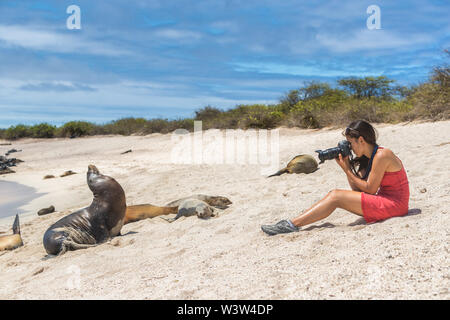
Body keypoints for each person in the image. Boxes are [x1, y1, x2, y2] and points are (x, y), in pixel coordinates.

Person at [261, 120, 410, 235]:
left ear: (361, 140)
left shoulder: (382, 155)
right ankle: (292, 223)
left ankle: (292, 224)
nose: (350, 148)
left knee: (335, 196)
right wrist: (347, 166)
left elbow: (370, 190)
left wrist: (347, 170)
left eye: (351, 143)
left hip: (396, 206)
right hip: (387, 201)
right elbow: (357, 190)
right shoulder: (368, 158)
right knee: (336, 195)